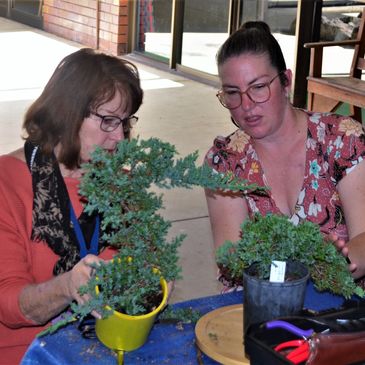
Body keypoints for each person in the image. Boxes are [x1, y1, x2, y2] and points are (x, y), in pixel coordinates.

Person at [0, 48, 143, 364]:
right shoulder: (6, 184)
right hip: (26, 353)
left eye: (125, 122)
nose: (120, 136)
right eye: (107, 121)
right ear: (68, 114)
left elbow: (144, 272)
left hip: (108, 348)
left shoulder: (122, 183)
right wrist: (67, 286)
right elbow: (8, 305)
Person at [204, 21, 365, 290]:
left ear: (286, 81)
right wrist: (297, 262)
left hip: (340, 307)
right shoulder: (225, 161)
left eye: (258, 87)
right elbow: (231, 261)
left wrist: (341, 261)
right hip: (259, 306)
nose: (246, 106)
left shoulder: (342, 138)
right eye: (232, 93)